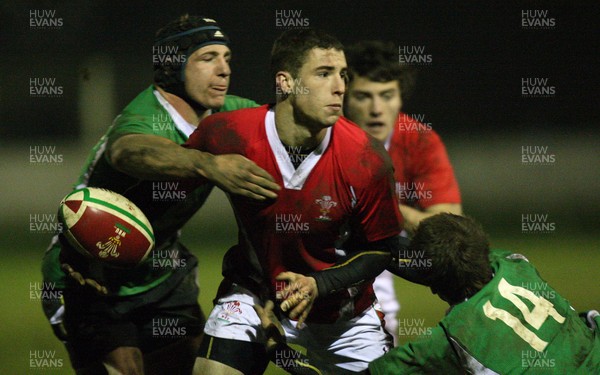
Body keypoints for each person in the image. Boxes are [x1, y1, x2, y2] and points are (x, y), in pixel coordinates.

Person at [41, 15, 279, 375]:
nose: (223, 69)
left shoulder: (229, 112)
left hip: (163, 274)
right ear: (173, 65)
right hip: (89, 275)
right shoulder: (147, 116)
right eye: (207, 57)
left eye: (227, 58)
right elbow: (128, 151)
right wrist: (208, 164)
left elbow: (284, 124)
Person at [185, 28, 404, 374]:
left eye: (343, 74)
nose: (340, 87)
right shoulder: (228, 133)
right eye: (324, 74)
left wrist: (320, 284)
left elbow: (382, 250)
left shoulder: (366, 159)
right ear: (286, 83)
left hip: (342, 317)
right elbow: (169, 175)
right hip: (256, 294)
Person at [256, 213, 600, 374]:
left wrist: (278, 350)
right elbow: (411, 259)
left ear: (434, 285)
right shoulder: (514, 264)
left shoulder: (448, 340)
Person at [344, 40, 462, 344]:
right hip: (310, 252)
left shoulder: (420, 141)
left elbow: (447, 226)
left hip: (377, 250)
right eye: (362, 96)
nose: (376, 109)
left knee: (379, 336)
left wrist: (383, 204)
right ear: (343, 97)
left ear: (400, 98)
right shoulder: (324, 135)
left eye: (387, 96)